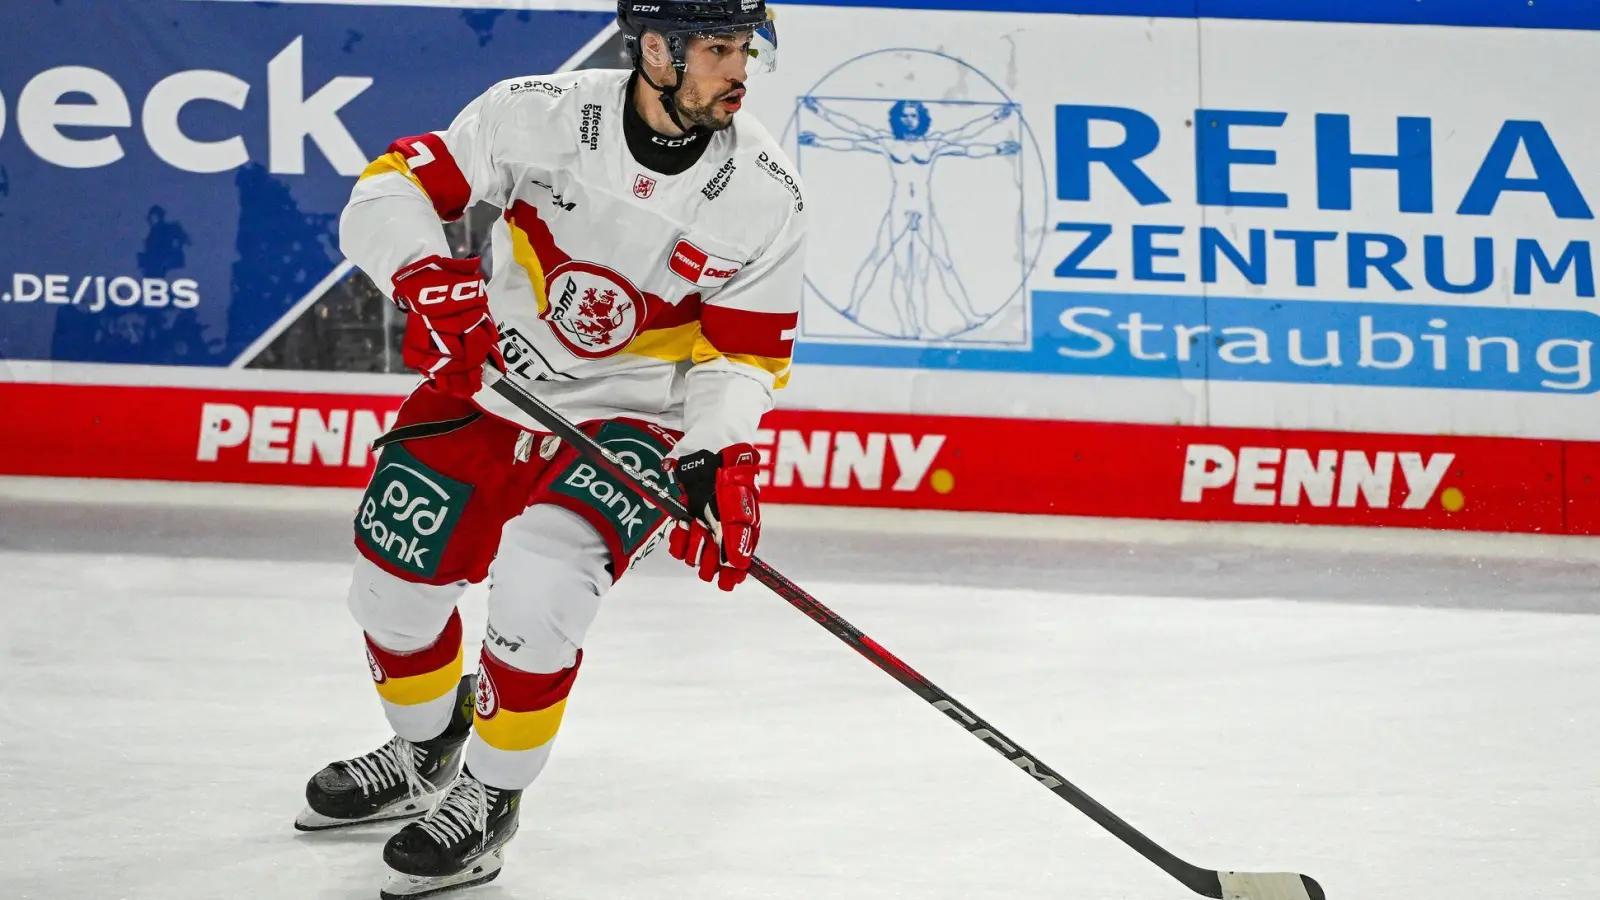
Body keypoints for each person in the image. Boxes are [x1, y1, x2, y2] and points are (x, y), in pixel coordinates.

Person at [293, 1, 804, 896]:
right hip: (496, 385)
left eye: (744, 49)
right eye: (719, 50)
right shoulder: (539, 112)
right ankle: (425, 754)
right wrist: (422, 276)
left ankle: (489, 796)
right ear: (657, 50)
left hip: (638, 421)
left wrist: (717, 457)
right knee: (391, 589)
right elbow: (391, 186)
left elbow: (743, 353)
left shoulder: (765, 189)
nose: (739, 70)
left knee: (540, 584)